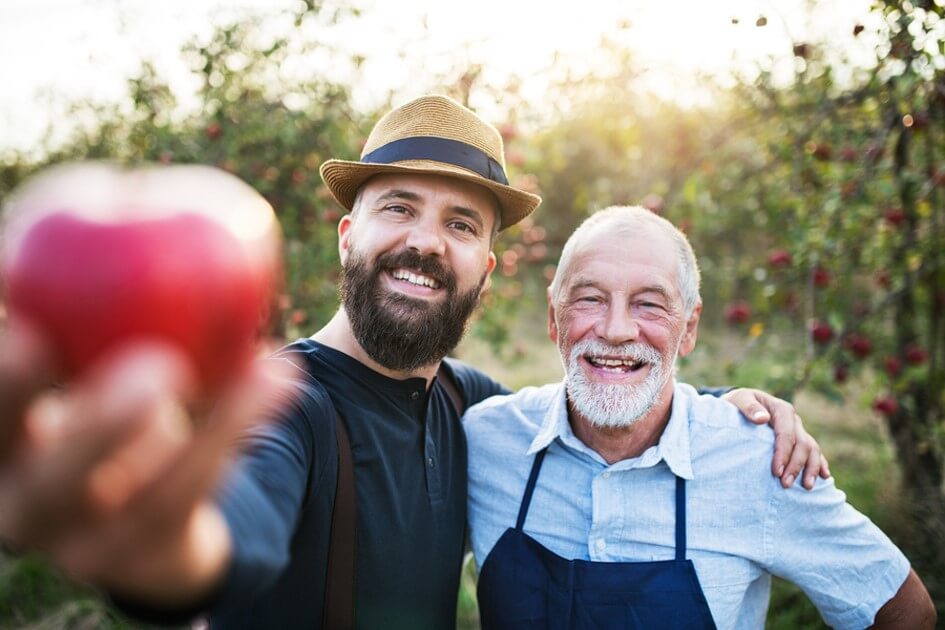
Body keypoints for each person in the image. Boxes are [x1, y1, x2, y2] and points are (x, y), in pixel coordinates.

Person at [0, 96, 826, 629]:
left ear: (486, 270)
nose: (427, 242)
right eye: (398, 207)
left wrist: (726, 402)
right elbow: (234, 525)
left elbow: (591, 401)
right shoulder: (288, 404)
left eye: (463, 225)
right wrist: (168, 556)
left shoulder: (473, 405)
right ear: (347, 235)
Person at [465, 205, 936, 629]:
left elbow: (904, 611)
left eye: (649, 303)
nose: (615, 330)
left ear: (688, 327)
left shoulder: (761, 461)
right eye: (590, 298)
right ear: (553, 316)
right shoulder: (487, 440)